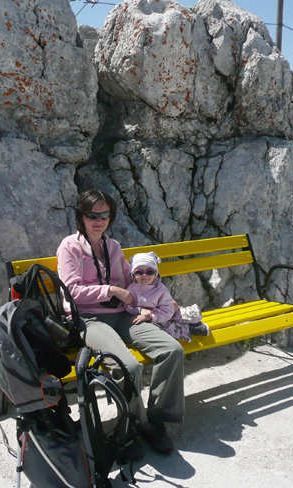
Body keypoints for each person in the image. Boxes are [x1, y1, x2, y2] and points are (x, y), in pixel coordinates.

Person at [56, 189, 184, 455]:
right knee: (128, 366)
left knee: (171, 350)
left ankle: (157, 421)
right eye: (92, 215)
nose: (98, 220)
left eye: (104, 215)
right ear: (81, 217)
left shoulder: (112, 247)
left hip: (124, 314)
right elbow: (71, 292)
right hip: (89, 319)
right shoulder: (70, 247)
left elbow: (130, 282)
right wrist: (110, 291)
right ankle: (133, 425)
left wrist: (156, 303)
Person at [125, 252, 210, 342]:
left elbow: (167, 311)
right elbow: (126, 305)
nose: (144, 275)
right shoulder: (131, 289)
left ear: (155, 274)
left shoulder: (160, 290)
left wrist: (151, 316)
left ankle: (196, 325)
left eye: (150, 272)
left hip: (165, 313)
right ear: (133, 274)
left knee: (184, 316)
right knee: (172, 329)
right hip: (156, 320)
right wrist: (140, 310)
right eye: (139, 272)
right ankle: (191, 328)